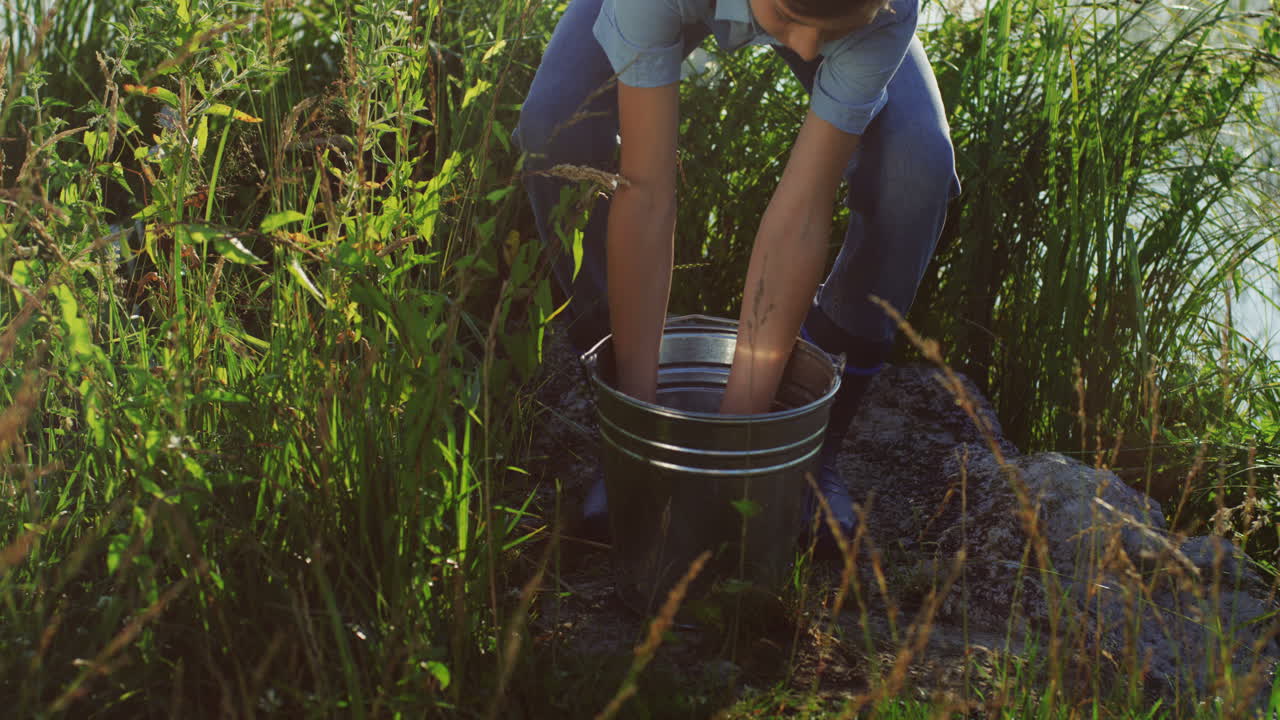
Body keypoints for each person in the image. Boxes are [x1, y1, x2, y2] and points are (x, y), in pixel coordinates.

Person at [516, 0, 960, 549]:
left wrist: (742, 447)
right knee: (550, 125)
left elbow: (799, 216)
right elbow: (646, 194)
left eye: (831, 32)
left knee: (918, 166)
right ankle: (623, 421)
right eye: (787, 20)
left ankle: (806, 441)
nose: (804, 49)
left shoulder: (883, 8)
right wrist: (648, 445)